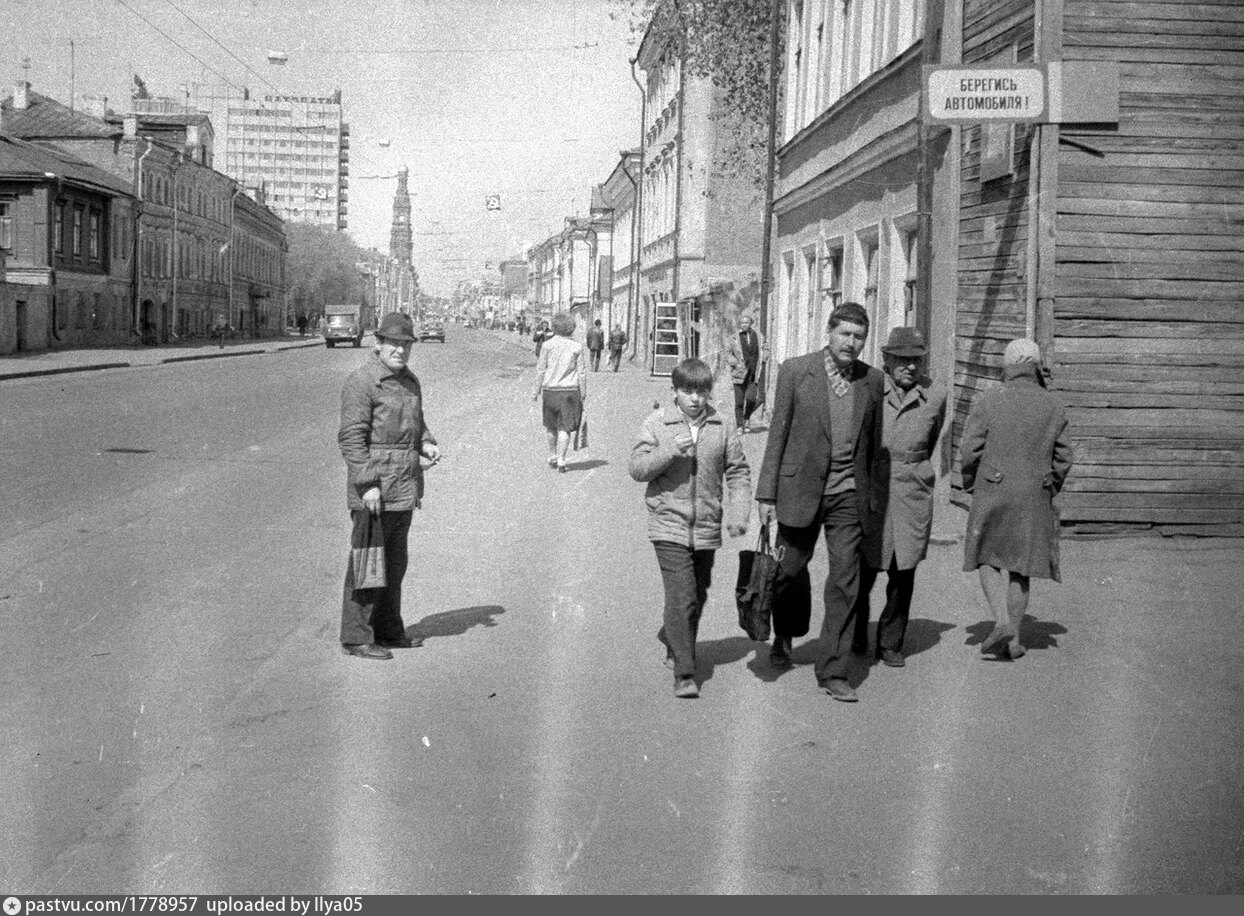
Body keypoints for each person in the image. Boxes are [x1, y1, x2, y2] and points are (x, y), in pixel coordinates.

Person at [755, 302, 886, 703]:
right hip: (799, 489)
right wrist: (766, 493)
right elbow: (778, 434)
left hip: (848, 494)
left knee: (846, 580)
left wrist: (872, 500)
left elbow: (873, 447)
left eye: (859, 336)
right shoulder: (796, 371)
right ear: (829, 332)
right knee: (789, 571)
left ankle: (833, 670)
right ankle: (784, 635)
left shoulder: (872, 380)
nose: (851, 343)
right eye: (844, 334)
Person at [629, 358, 751, 698]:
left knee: (697, 595)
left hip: (707, 525)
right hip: (668, 522)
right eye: (687, 391)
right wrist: (669, 451)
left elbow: (738, 471)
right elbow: (637, 468)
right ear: (674, 392)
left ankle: (673, 637)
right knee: (682, 596)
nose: (695, 399)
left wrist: (740, 512)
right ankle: (684, 672)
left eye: (701, 392)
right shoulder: (657, 423)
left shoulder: (722, 424)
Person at [960, 338, 1073, 660]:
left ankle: (1001, 622)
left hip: (993, 489)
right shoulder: (1053, 405)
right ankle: (1013, 641)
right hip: (1033, 496)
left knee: (986, 559)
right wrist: (1050, 485)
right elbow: (1064, 456)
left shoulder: (989, 399)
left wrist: (970, 483)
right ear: (1035, 366)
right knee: (1020, 569)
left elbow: (970, 450)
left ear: (1006, 366)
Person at [337, 312, 441, 660]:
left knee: (394, 566)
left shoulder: (410, 381)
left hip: (404, 488)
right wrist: (367, 484)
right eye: (393, 344)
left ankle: (388, 630)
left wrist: (425, 443)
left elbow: (417, 423)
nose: (400, 350)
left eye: (406, 344)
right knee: (368, 564)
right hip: (375, 491)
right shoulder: (362, 382)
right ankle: (356, 637)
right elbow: (352, 438)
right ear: (378, 344)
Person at [851, 327, 947, 668]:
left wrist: (913, 466)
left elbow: (930, 440)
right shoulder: (871, 390)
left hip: (912, 489)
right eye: (903, 360)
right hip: (875, 485)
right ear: (887, 360)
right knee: (864, 567)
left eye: (916, 360)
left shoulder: (935, 394)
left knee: (903, 569)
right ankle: (856, 631)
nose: (911, 366)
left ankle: (891, 642)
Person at [533, 311, 587, 474]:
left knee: (551, 426)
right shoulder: (577, 347)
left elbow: (541, 369)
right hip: (570, 391)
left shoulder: (547, 345)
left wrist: (536, 390)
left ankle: (553, 455)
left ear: (554, 327)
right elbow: (581, 372)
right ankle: (562, 460)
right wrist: (583, 392)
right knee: (565, 427)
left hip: (550, 391)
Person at [725, 313, 768, 431]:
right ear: (740, 324)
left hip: (753, 373)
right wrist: (735, 363)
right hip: (739, 374)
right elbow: (727, 354)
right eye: (742, 323)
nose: (744, 325)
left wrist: (765, 357)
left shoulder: (758, 336)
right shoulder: (733, 338)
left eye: (747, 323)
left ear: (750, 324)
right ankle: (740, 425)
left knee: (751, 399)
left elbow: (765, 346)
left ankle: (746, 418)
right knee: (739, 402)